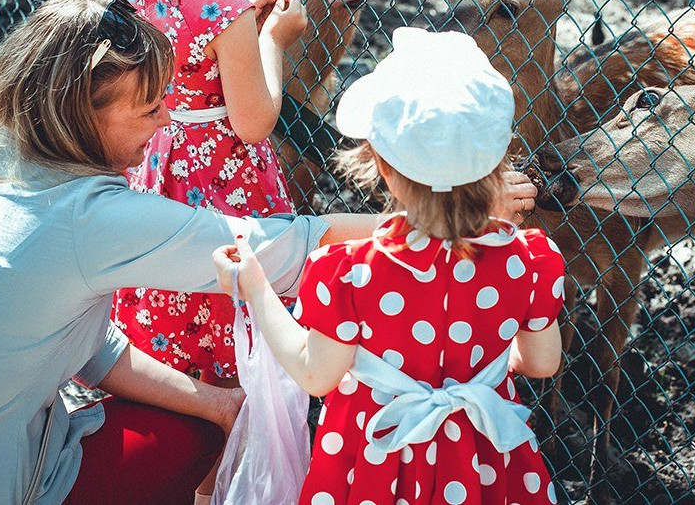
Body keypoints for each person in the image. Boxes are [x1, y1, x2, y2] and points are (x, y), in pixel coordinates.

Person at [0, 0, 384, 505]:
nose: (166, 121)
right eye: (150, 107)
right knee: (188, 436)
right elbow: (279, 248)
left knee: (202, 415)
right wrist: (423, 222)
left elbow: (91, 346)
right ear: (81, 111)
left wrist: (218, 404)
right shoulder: (88, 219)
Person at [213, 27, 564, 505]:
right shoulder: (529, 261)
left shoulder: (350, 272)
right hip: (483, 459)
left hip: (376, 460)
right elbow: (542, 362)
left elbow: (316, 375)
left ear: (383, 167)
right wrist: (475, 366)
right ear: (496, 164)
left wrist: (255, 286)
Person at [101, 0, 306, 388]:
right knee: (225, 322)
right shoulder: (225, 14)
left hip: (156, 174)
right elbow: (254, 122)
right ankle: (221, 459)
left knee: (170, 308)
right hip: (222, 193)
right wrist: (273, 39)